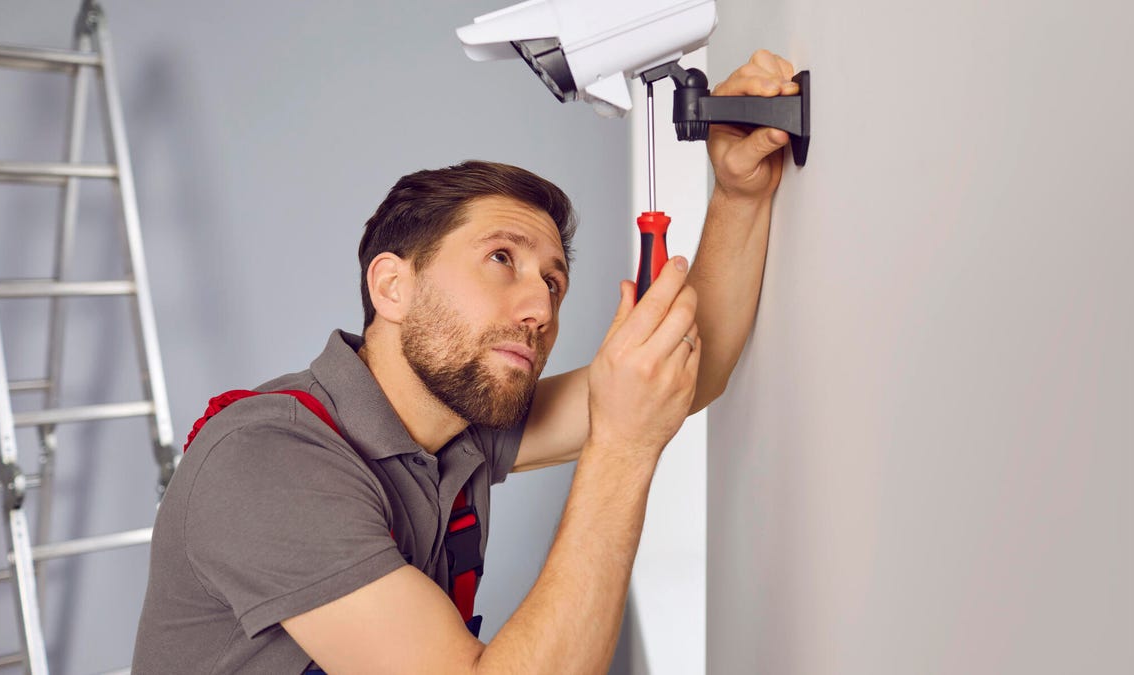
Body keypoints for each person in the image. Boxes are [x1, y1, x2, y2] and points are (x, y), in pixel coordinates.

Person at [133, 49, 800, 674]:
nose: (540, 305)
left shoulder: (459, 424)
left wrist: (739, 196)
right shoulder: (269, 460)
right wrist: (621, 449)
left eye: (554, 282)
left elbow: (684, 375)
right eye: (501, 259)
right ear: (392, 286)